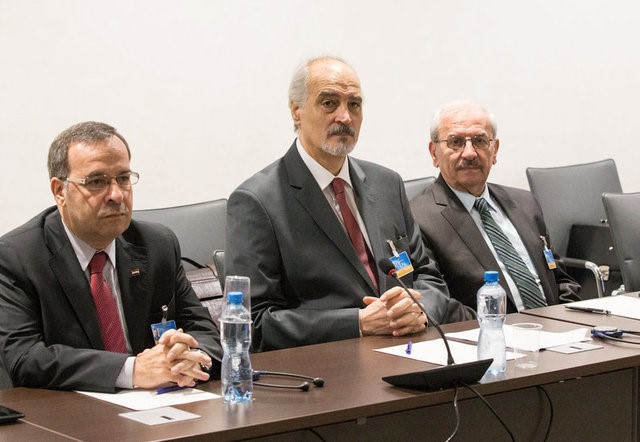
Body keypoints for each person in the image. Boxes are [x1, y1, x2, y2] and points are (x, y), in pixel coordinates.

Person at [225, 56, 474, 352]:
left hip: (411, 349)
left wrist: (418, 306)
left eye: (354, 105)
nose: (344, 117)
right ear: (296, 111)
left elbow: (427, 276)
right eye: (329, 103)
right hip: (330, 368)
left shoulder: (387, 184)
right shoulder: (257, 201)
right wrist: (357, 323)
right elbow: (253, 323)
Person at [0, 121, 222, 392]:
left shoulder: (157, 245)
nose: (117, 194)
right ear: (60, 191)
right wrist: (131, 371)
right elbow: (24, 357)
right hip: (69, 417)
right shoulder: (16, 257)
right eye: (96, 181)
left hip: (159, 407)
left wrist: (187, 358)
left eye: (124, 178)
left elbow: (205, 332)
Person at [410, 101, 581, 312]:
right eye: (456, 142)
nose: (470, 153)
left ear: (495, 149)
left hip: (555, 332)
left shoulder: (525, 203)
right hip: (487, 337)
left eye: (480, 140)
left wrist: (571, 322)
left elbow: (559, 279)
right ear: (434, 153)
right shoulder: (418, 218)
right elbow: (439, 305)